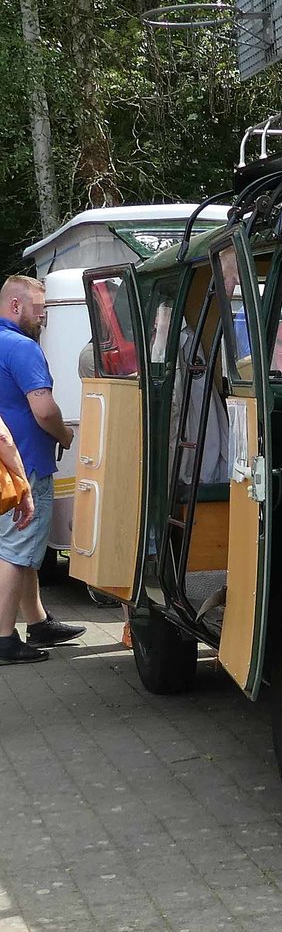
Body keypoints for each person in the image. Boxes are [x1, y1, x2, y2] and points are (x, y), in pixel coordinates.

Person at [0, 275, 85, 662]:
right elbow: (45, 410)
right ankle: (4, 638)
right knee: (16, 550)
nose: (44, 316)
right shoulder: (22, 347)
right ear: (16, 305)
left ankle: (38, 622)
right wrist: (66, 436)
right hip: (25, 464)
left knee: (21, 547)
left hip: (6, 466)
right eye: (40, 308)